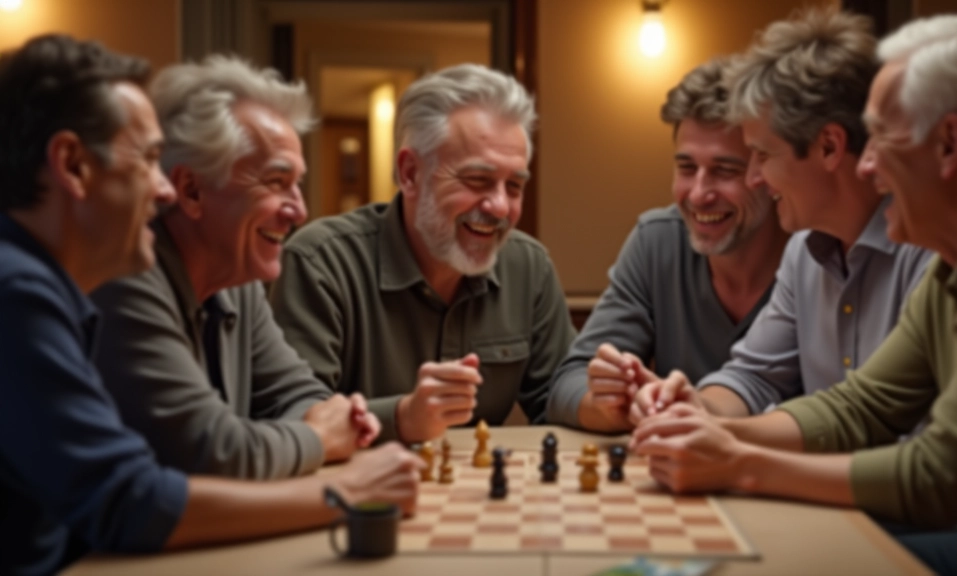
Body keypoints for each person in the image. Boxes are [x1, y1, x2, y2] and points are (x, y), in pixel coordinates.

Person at [0, 35, 420, 575]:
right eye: (149, 160)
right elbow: (134, 498)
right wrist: (344, 488)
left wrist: (320, 438)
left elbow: (292, 398)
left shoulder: (45, 285)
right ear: (72, 165)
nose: (163, 190)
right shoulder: (22, 293)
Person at [631, 14, 957, 575]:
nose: (868, 165)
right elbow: (858, 407)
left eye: (882, 139)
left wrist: (739, 464)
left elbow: (937, 478)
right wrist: (712, 426)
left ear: (949, 144)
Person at [632, 8, 932, 420]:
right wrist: (693, 406)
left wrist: (737, 450)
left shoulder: (930, 248)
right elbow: (755, 377)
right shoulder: (803, 252)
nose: (754, 178)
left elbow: (892, 430)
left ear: (829, 146)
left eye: (762, 155)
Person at [89, 55, 379, 480]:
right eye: (276, 182)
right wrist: (318, 438)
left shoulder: (236, 278)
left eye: (297, 183)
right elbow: (213, 449)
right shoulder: (127, 275)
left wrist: (328, 419)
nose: (300, 210)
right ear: (190, 190)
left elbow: (297, 393)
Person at [270, 64, 576, 443]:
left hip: (482, 499)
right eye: (477, 180)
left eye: (513, 186)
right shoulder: (321, 263)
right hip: (364, 496)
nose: (499, 207)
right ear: (410, 173)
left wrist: (602, 399)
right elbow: (293, 416)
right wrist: (401, 417)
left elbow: (559, 395)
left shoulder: (529, 267)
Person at [544, 58, 788, 432]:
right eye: (686, 168)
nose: (699, 194)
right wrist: (615, 404)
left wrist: (696, 412)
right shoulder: (658, 241)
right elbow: (567, 385)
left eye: (725, 171)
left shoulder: (814, 253)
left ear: (768, 171)